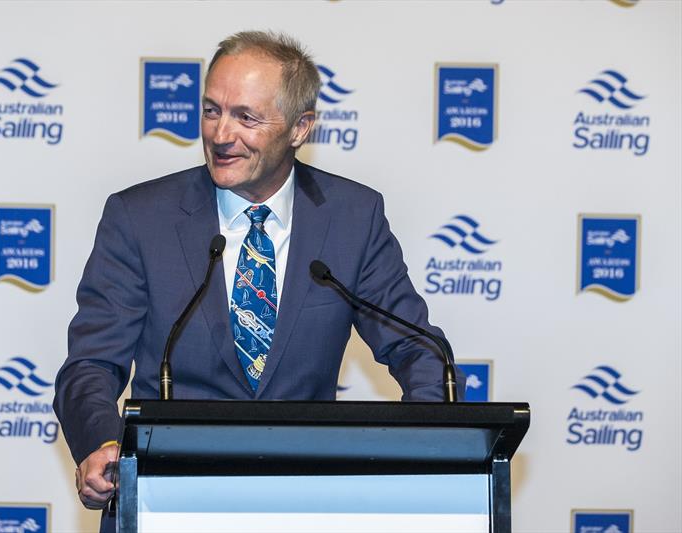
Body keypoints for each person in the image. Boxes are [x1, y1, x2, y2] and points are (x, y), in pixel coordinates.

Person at [54, 30, 464, 520]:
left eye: (246, 117)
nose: (221, 135)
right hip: (169, 502)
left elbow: (418, 349)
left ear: (300, 127)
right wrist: (100, 442)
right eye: (211, 111)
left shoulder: (352, 217)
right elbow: (91, 365)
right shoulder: (140, 219)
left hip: (307, 505)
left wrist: (429, 449)